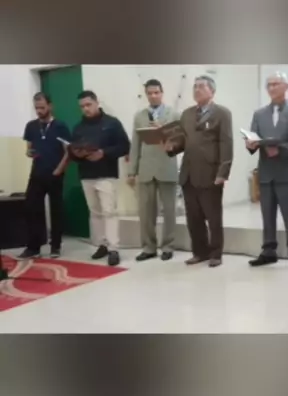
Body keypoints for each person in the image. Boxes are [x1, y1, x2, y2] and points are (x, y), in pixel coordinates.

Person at [246, 72, 288, 271]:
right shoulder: (259, 114)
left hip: (287, 172)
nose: (272, 88)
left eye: (276, 84)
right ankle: (268, 252)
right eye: (269, 85)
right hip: (266, 172)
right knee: (267, 217)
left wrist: (282, 150)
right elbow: (253, 138)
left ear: (286, 86)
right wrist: (250, 144)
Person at [166, 76, 233, 268]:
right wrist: (171, 147)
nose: (196, 90)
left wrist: (223, 172)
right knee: (193, 218)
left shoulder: (222, 113)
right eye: (194, 87)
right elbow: (182, 141)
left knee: (213, 217)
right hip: (188, 173)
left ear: (212, 91)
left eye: (201, 86)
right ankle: (200, 252)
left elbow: (226, 143)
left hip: (210, 173)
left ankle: (216, 254)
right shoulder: (187, 114)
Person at [71, 91, 130, 266]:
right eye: (82, 106)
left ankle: (113, 249)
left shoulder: (112, 123)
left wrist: (104, 153)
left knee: (109, 211)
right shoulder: (78, 128)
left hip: (106, 174)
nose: (85, 109)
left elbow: (124, 146)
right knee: (95, 212)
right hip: (86, 174)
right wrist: (76, 154)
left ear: (97, 103)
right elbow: (73, 152)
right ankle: (101, 245)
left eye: (88, 105)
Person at [128, 80, 179, 262]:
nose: (153, 96)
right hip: (146, 168)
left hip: (167, 166)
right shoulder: (139, 116)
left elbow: (179, 141)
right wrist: (132, 171)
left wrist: (163, 131)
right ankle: (149, 247)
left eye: (156, 92)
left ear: (162, 93)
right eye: (149, 93)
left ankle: (168, 246)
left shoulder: (173, 114)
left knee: (169, 211)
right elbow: (135, 145)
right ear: (146, 95)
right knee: (146, 213)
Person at [20, 93, 71, 259]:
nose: (39, 111)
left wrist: (59, 170)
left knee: (56, 209)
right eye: (36, 108)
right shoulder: (31, 126)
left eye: (42, 107)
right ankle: (33, 247)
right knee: (31, 208)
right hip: (37, 173)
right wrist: (30, 152)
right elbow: (29, 149)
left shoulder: (60, 126)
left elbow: (68, 152)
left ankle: (55, 246)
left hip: (55, 174)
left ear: (50, 106)